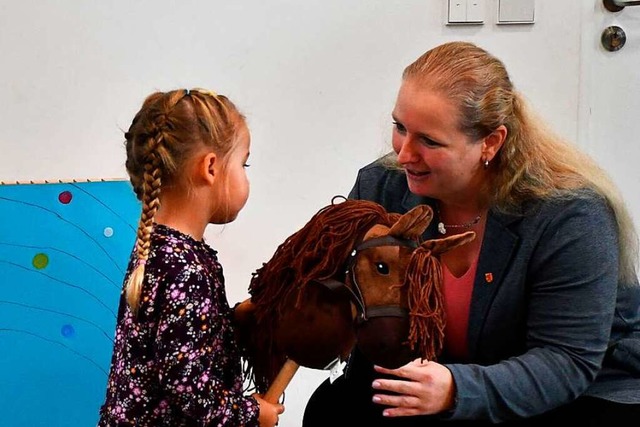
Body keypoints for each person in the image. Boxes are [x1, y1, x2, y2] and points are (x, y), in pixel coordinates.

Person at [303, 41, 640, 426]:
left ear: (491, 143)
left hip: (581, 389)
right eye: (400, 128)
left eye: (429, 141)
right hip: (439, 373)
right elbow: (335, 290)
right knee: (331, 409)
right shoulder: (380, 187)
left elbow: (567, 360)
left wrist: (456, 389)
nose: (403, 154)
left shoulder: (572, 215)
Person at [98, 88, 284, 426]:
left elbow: (176, 347)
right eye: (244, 163)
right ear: (211, 167)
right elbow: (189, 390)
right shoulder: (186, 268)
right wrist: (253, 413)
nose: (245, 174)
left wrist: (232, 320)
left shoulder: (160, 250)